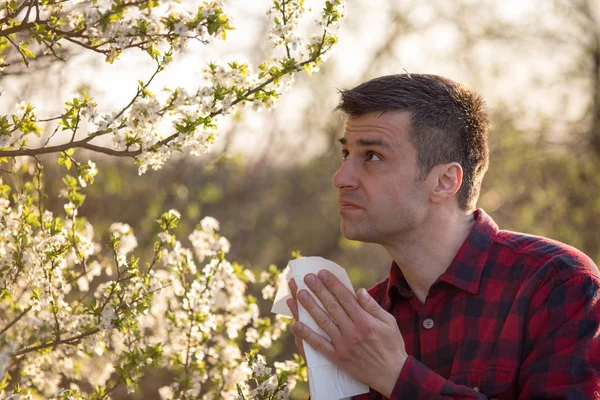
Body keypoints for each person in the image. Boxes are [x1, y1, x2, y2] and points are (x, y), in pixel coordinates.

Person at [285, 74, 600, 399]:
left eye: (372, 156)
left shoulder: (556, 283)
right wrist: (331, 380)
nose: (341, 178)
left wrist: (395, 375)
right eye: (345, 155)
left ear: (445, 181)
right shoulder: (364, 325)